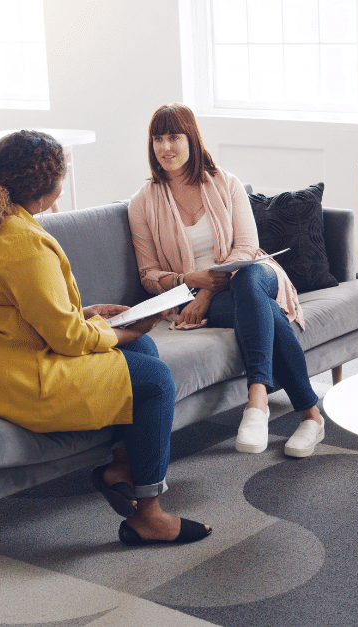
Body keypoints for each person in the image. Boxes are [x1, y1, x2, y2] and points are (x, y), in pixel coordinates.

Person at [0, 130, 210, 547]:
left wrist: (90, 316)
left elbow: (4, 313)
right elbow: (67, 340)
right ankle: (147, 515)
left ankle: (122, 467)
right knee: (155, 381)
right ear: (46, 191)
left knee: (142, 348)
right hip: (14, 378)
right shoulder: (22, 243)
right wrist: (116, 329)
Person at [127, 103, 325, 458]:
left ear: (192, 139)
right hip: (201, 294)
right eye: (158, 139)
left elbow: (247, 248)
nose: (165, 147)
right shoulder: (143, 202)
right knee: (266, 312)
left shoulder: (225, 183)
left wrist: (206, 288)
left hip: (252, 274)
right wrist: (190, 280)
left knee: (248, 278)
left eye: (174, 137)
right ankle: (311, 415)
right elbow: (149, 275)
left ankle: (257, 401)